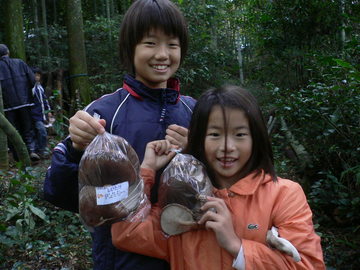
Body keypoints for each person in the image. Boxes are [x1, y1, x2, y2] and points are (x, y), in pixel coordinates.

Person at [43, 0, 196, 269]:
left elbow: (228, 187)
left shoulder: (196, 112)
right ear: (130, 48)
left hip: (188, 254)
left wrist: (199, 150)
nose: (162, 54)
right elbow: (58, 191)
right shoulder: (104, 111)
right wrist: (78, 149)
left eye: (172, 44)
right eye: (150, 43)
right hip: (122, 258)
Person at [111, 85, 326, 269]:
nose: (227, 148)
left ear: (256, 138)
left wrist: (237, 246)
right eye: (215, 134)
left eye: (240, 134)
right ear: (199, 139)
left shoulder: (283, 195)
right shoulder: (182, 196)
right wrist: (147, 170)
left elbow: (308, 264)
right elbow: (127, 232)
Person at [0, 43, 40, 161]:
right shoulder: (20, 63)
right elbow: (32, 80)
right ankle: (32, 150)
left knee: (13, 130)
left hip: (7, 107)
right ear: (8, 52)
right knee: (28, 128)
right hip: (25, 102)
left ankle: (18, 156)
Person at [30, 67, 52, 158]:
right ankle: (40, 151)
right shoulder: (31, 88)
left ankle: (40, 151)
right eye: (35, 75)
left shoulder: (40, 87)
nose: (37, 77)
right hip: (35, 115)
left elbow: (44, 100)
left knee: (40, 132)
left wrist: (48, 111)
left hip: (42, 114)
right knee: (41, 132)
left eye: (38, 75)